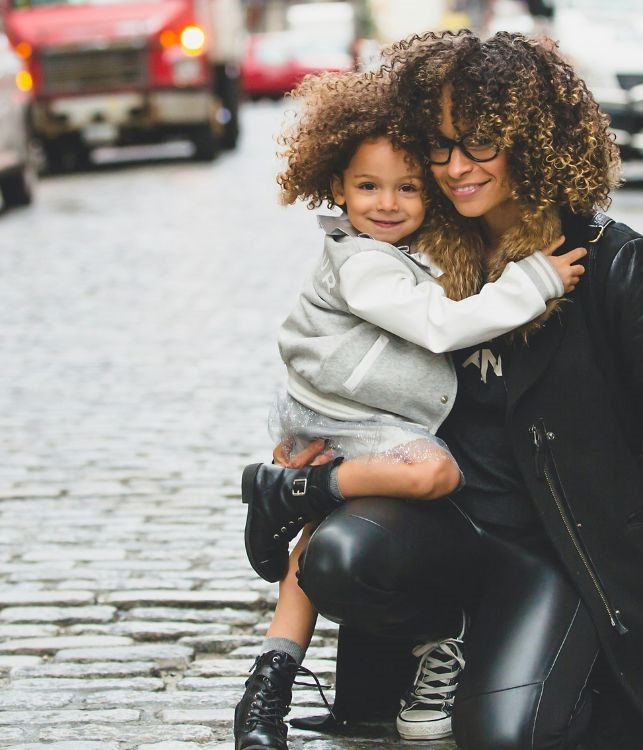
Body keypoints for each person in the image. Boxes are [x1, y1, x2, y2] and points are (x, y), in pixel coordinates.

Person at [285, 30, 643, 750]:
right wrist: (315, 445)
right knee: (338, 558)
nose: (456, 167)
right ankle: (448, 643)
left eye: (481, 143)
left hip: (556, 552)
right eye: (441, 145)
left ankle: (544, 655)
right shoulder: (417, 252)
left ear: (531, 139)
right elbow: (348, 365)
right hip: (446, 530)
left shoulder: (612, 263)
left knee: (505, 736)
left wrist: (634, 580)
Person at [234, 69, 588, 750]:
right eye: (369, 187)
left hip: (341, 417)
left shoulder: (401, 250)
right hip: (350, 420)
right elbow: (438, 326)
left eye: (408, 188)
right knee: (433, 474)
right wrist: (536, 280)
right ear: (336, 188)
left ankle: (267, 685)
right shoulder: (363, 262)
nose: (389, 203)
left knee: (315, 544)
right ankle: (293, 490)